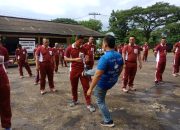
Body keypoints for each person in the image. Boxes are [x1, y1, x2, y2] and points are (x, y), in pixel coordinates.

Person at [87, 35, 123, 127]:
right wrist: (115, 76)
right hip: (112, 80)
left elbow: (98, 75)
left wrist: (90, 89)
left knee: (100, 100)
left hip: (103, 83)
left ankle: (108, 121)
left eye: (102, 43)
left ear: (106, 44)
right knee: (97, 69)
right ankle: (86, 72)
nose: (102, 45)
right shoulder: (118, 55)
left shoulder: (105, 57)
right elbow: (121, 67)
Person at [64, 35, 95, 112]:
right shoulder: (69, 48)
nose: (81, 43)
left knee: (86, 87)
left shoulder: (83, 48)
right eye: (80, 42)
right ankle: (75, 100)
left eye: (82, 42)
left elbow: (87, 54)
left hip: (82, 70)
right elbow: (65, 58)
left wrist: (87, 58)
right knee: (74, 87)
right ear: (76, 40)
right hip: (73, 70)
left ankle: (88, 103)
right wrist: (75, 59)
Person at [0, 40, 12, 130]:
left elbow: (6, 64)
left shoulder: (3, 50)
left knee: (5, 103)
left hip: (2, 78)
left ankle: (7, 125)